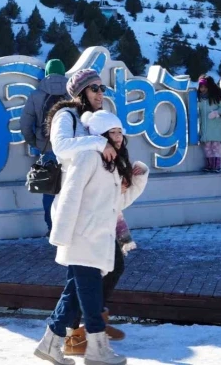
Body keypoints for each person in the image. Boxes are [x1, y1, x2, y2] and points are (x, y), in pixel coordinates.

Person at [34, 110, 149, 365]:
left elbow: (116, 205)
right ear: (100, 134)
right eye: (113, 132)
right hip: (82, 237)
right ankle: (97, 349)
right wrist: (62, 236)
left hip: (98, 239)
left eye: (120, 132)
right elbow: (70, 195)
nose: (119, 137)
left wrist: (138, 183)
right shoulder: (88, 157)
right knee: (90, 294)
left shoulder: (112, 164)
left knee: (75, 292)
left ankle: (50, 342)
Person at [44, 69, 129, 354]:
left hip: (94, 210)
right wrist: (98, 142)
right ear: (80, 91)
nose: (100, 94)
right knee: (92, 274)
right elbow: (61, 147)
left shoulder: (91, 120)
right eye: (94, 89)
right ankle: (91, 338)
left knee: (80, 280)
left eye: (102, 88)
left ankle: (58, 340)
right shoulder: (65, 115)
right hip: (76, 211)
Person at [21, 59, 69, 234]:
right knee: (71, 189)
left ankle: (52, 228)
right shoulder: (73, 93)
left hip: (47, 149)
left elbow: (25, 124)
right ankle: (68, 228)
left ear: (47, 73)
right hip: (70, 150)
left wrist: (35, 142)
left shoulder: (36, 95)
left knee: (49, 190)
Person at [197, 75, 221, 173]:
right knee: (207, 148)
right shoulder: (200, 99)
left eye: (205, 87)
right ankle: (209, 165)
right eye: (201, 87)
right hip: (205, 129)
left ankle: (216, 166)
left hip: (216, 128)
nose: (203, 89)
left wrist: (216, 113)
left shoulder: (216, 98)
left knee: (215, 148)